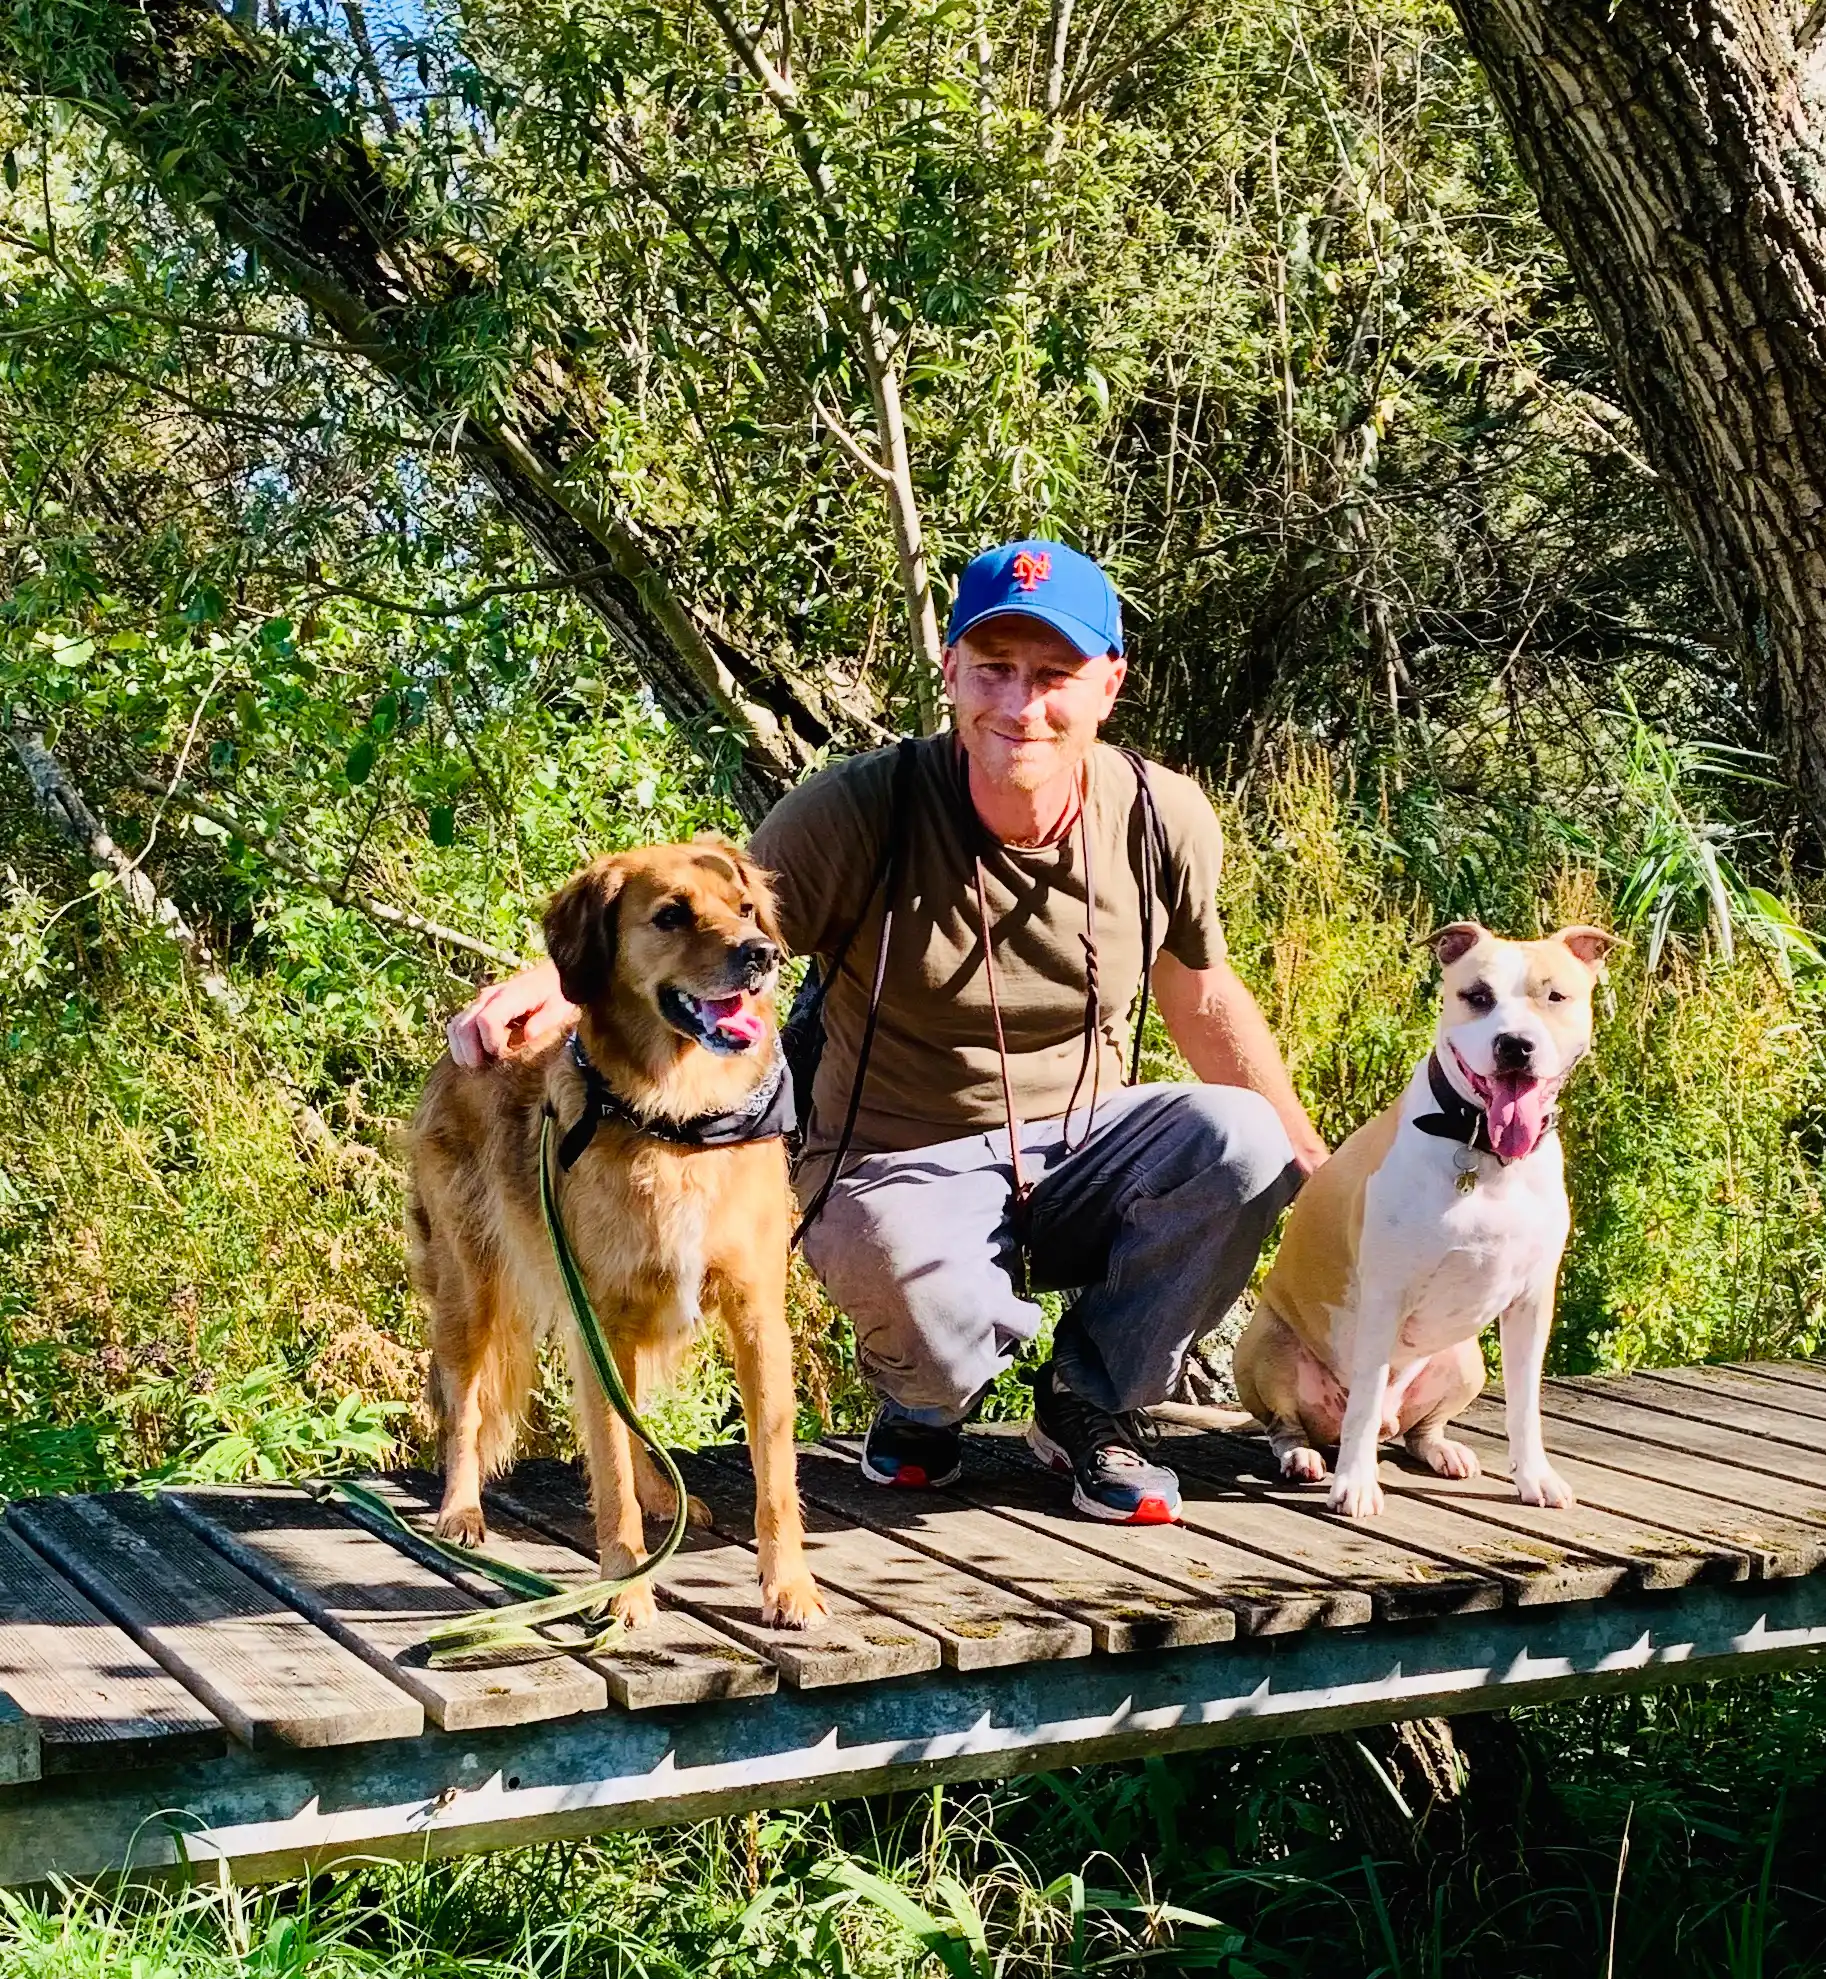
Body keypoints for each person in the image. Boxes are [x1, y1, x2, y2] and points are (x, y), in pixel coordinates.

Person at [449, 540, 1328, 1524]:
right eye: (993, 669)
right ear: (950, 670)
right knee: (940, 1333)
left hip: (1082, 1150)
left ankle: (1091, 1402)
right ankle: (924, 1405)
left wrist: (1325, 1181)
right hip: (896, 1166)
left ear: (1109, 684)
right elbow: (702, 915)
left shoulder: (1163, 818)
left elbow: (1201, 995)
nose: (1020, 705)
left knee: (1246, 1141)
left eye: (1054, 676)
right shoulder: (864, 808)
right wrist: (555, 985)